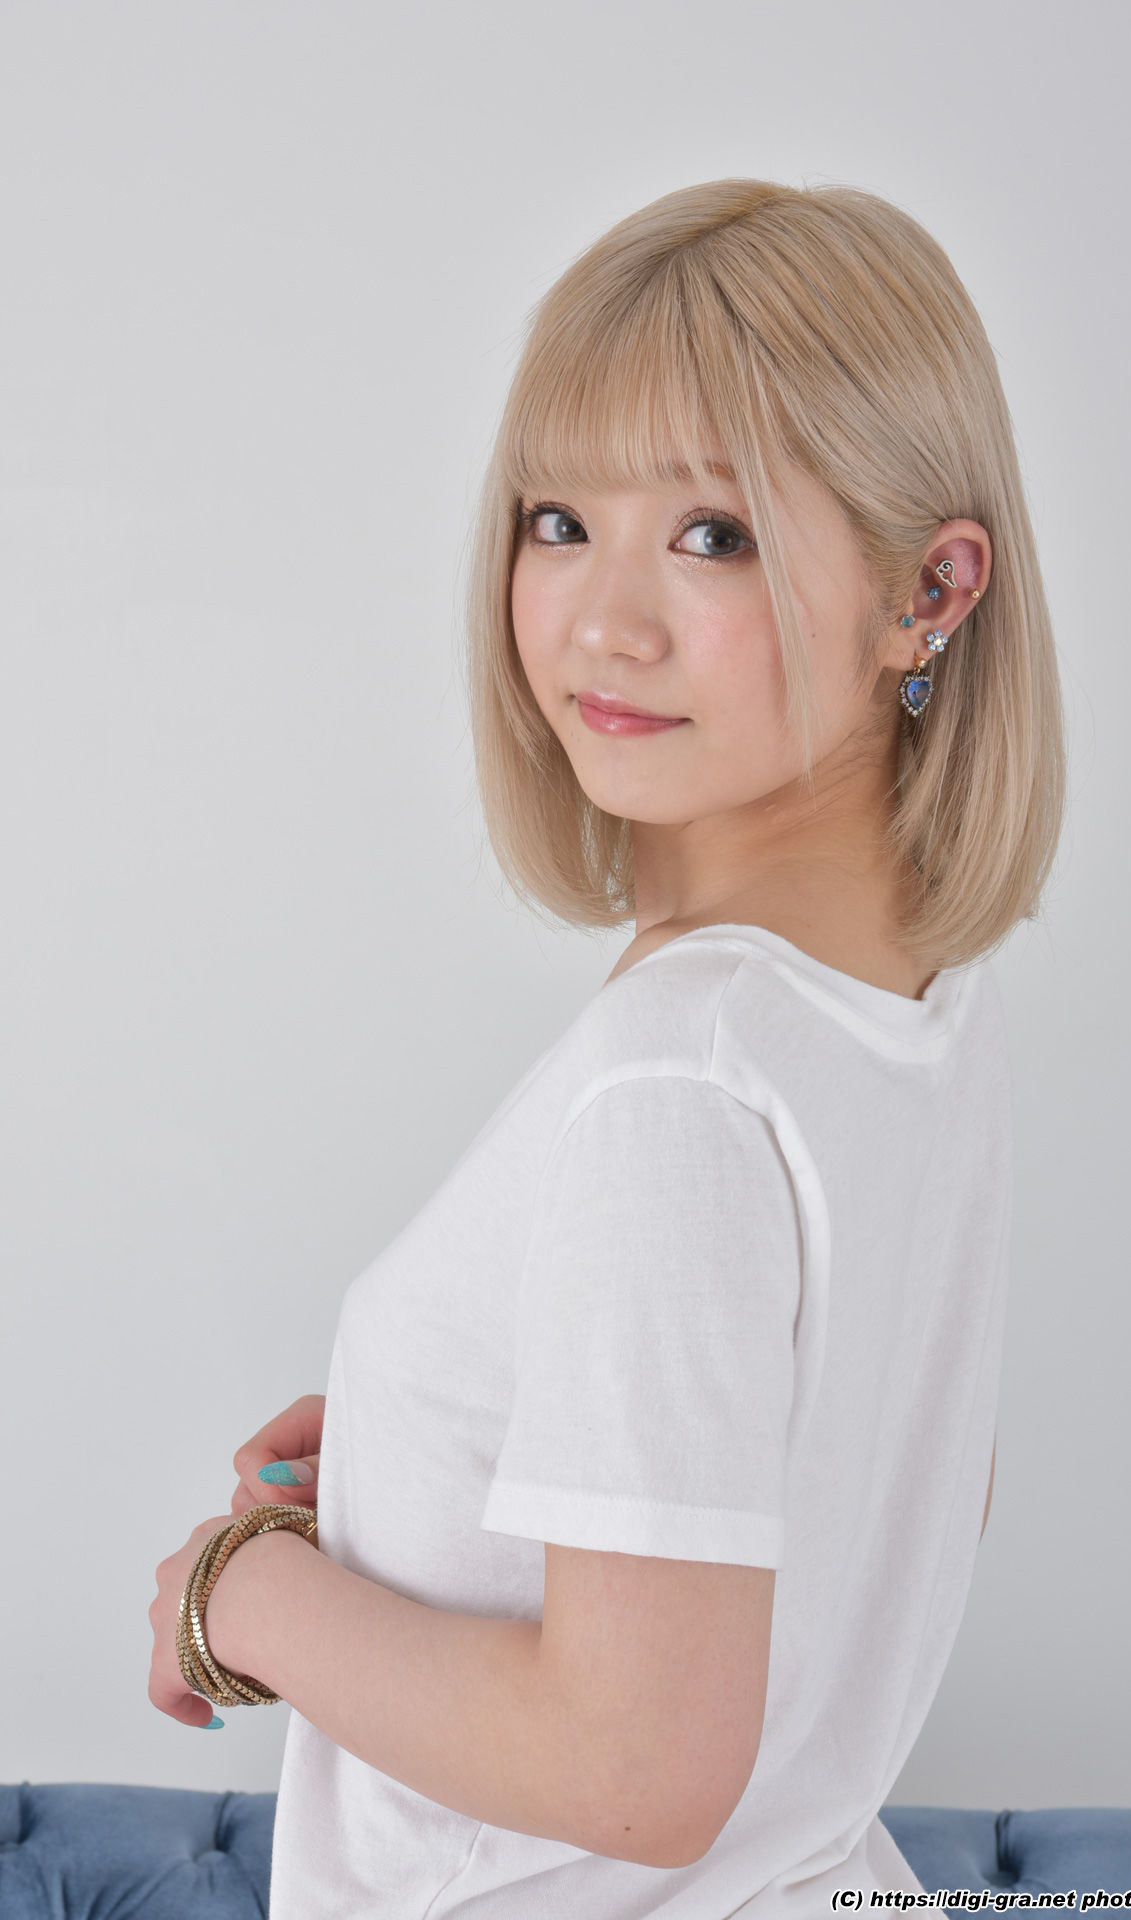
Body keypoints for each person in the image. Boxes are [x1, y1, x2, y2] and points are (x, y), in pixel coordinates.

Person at [150, 175, 1066, 1917]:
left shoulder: (683, 1073)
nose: (601, 621)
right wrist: (459, 1447)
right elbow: (879, 1478)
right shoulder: (918, 1012)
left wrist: (238, 1592)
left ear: (929, 592)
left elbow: (632, 1774)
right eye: (560, 520)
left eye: (712, 535)